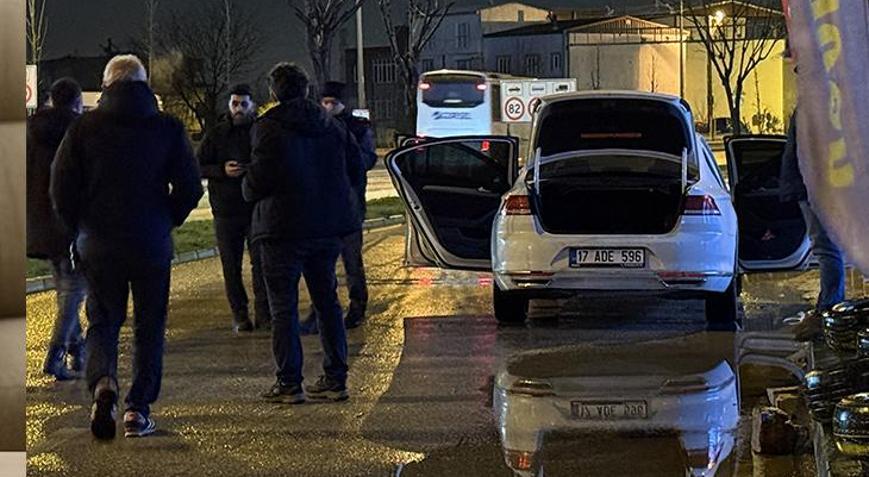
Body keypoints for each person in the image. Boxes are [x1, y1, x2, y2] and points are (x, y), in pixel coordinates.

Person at [51, 55, 203, 439]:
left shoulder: (84, 128)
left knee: (102, 322)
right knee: (150, 326)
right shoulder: (167, 127)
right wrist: (165, 218)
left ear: (106, 86)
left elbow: (61, 189)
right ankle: (138, 409)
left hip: (99, 244)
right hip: (151, 243)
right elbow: (190, 186)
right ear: (144, 84)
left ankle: (103, 383)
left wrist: (79, 228)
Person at [243, 63, 363, 404]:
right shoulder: (332, 126)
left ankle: (289, 382)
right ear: (307, 90)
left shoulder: (268, 127)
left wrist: (247, 187)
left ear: (274, 92)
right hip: (325, 227)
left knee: (283, 308)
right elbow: (355, 167)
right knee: (327, 302)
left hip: (281, 229)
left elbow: (259, 179)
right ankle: (335, 377)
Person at [301, 81, 378, 334]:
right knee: (320, 263)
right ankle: (317, 311)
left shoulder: (357, 128)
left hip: (349, 204)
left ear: (344, 104)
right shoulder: (315, 128)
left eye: (333, 102)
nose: (328, 107)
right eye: (325, 102)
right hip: (320, 205)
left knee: (351, 259)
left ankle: (357, 307)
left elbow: (366, 159)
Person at [27, 77, 87, 381]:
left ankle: (78, 350)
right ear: (77, 102)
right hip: (70, 221)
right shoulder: (80, 131)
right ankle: (56, 354)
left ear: (51, 99)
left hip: (38, 223)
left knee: (65, 287)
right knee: (75, 290)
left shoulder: (31, 129)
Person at [198, 83, 269, 333]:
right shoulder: (217, 134)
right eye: (234, 104)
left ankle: (264, 314)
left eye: (243, 104)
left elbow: (269, 162)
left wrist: (251, 169)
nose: (238, 109)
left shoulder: (260, 132)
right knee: (231, 266)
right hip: (226, 210)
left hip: (254, 208)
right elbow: (199, 165)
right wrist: (221, 171)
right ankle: (240, 314)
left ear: (252, 106)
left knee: (260, 264)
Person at [780, 110, 846, 311]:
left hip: (815, 188)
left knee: (826, 248)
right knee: (827, 247)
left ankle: (830, 305)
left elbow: (812, 151)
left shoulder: (815, 104)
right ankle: (829, 303)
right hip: (815, 186)